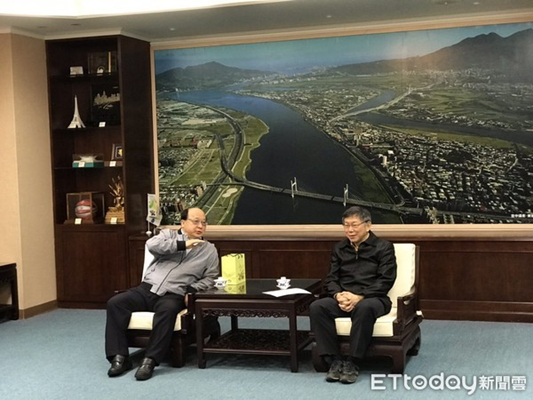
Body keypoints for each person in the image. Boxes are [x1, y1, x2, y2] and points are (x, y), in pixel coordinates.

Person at [105, 207, 219, 381]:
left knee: (167, 311)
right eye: (195, 221)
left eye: (204, 223)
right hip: (147, 289)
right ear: (183, 223)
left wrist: (192, 289)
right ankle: (119, 357)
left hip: (174, 294)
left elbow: (211, 277)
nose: (200, 226)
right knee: (115, 303)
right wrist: (183, 244)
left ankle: (150, 360)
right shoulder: (168, 235)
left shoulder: (209, 250)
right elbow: (151, 245)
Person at [309, 206, 397, 384]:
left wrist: (360, 296)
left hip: (374, 298)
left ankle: (353, 362)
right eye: (346, 225)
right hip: (344, 298)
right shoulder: (339, 248)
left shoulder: (383, 247)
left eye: (355, 225)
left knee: (364, 308)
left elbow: (386, 280)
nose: (350, 230)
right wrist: (338, 295)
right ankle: (334, 360)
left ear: (368, 225)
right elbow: (331, 279)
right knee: (317, 307)